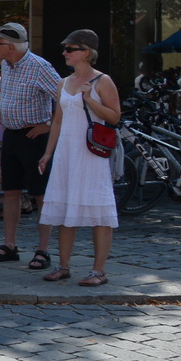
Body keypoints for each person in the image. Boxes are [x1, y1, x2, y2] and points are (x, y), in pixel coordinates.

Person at [37, 30, 120, 286]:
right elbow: (57, 121)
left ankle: (98, 271)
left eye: (69, 49)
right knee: (65, 208)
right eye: (64, 48)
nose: (64, 53)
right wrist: (48, 153)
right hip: (66, 152)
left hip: (91, 153)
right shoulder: (63, 83)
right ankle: (63, 266)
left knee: (99, 210)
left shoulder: (103, 81)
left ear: (85, 52)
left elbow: (115, 116)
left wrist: (88, 99)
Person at [0, 22, 60, 269]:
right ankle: (10, 245)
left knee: (40, 193)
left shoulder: (39, 66)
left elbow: (65, 97)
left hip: (34, 136)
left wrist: (48, 125)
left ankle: (43, 249)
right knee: (10, 190)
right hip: (12, 135)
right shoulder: (7, 65)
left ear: (11, 46)